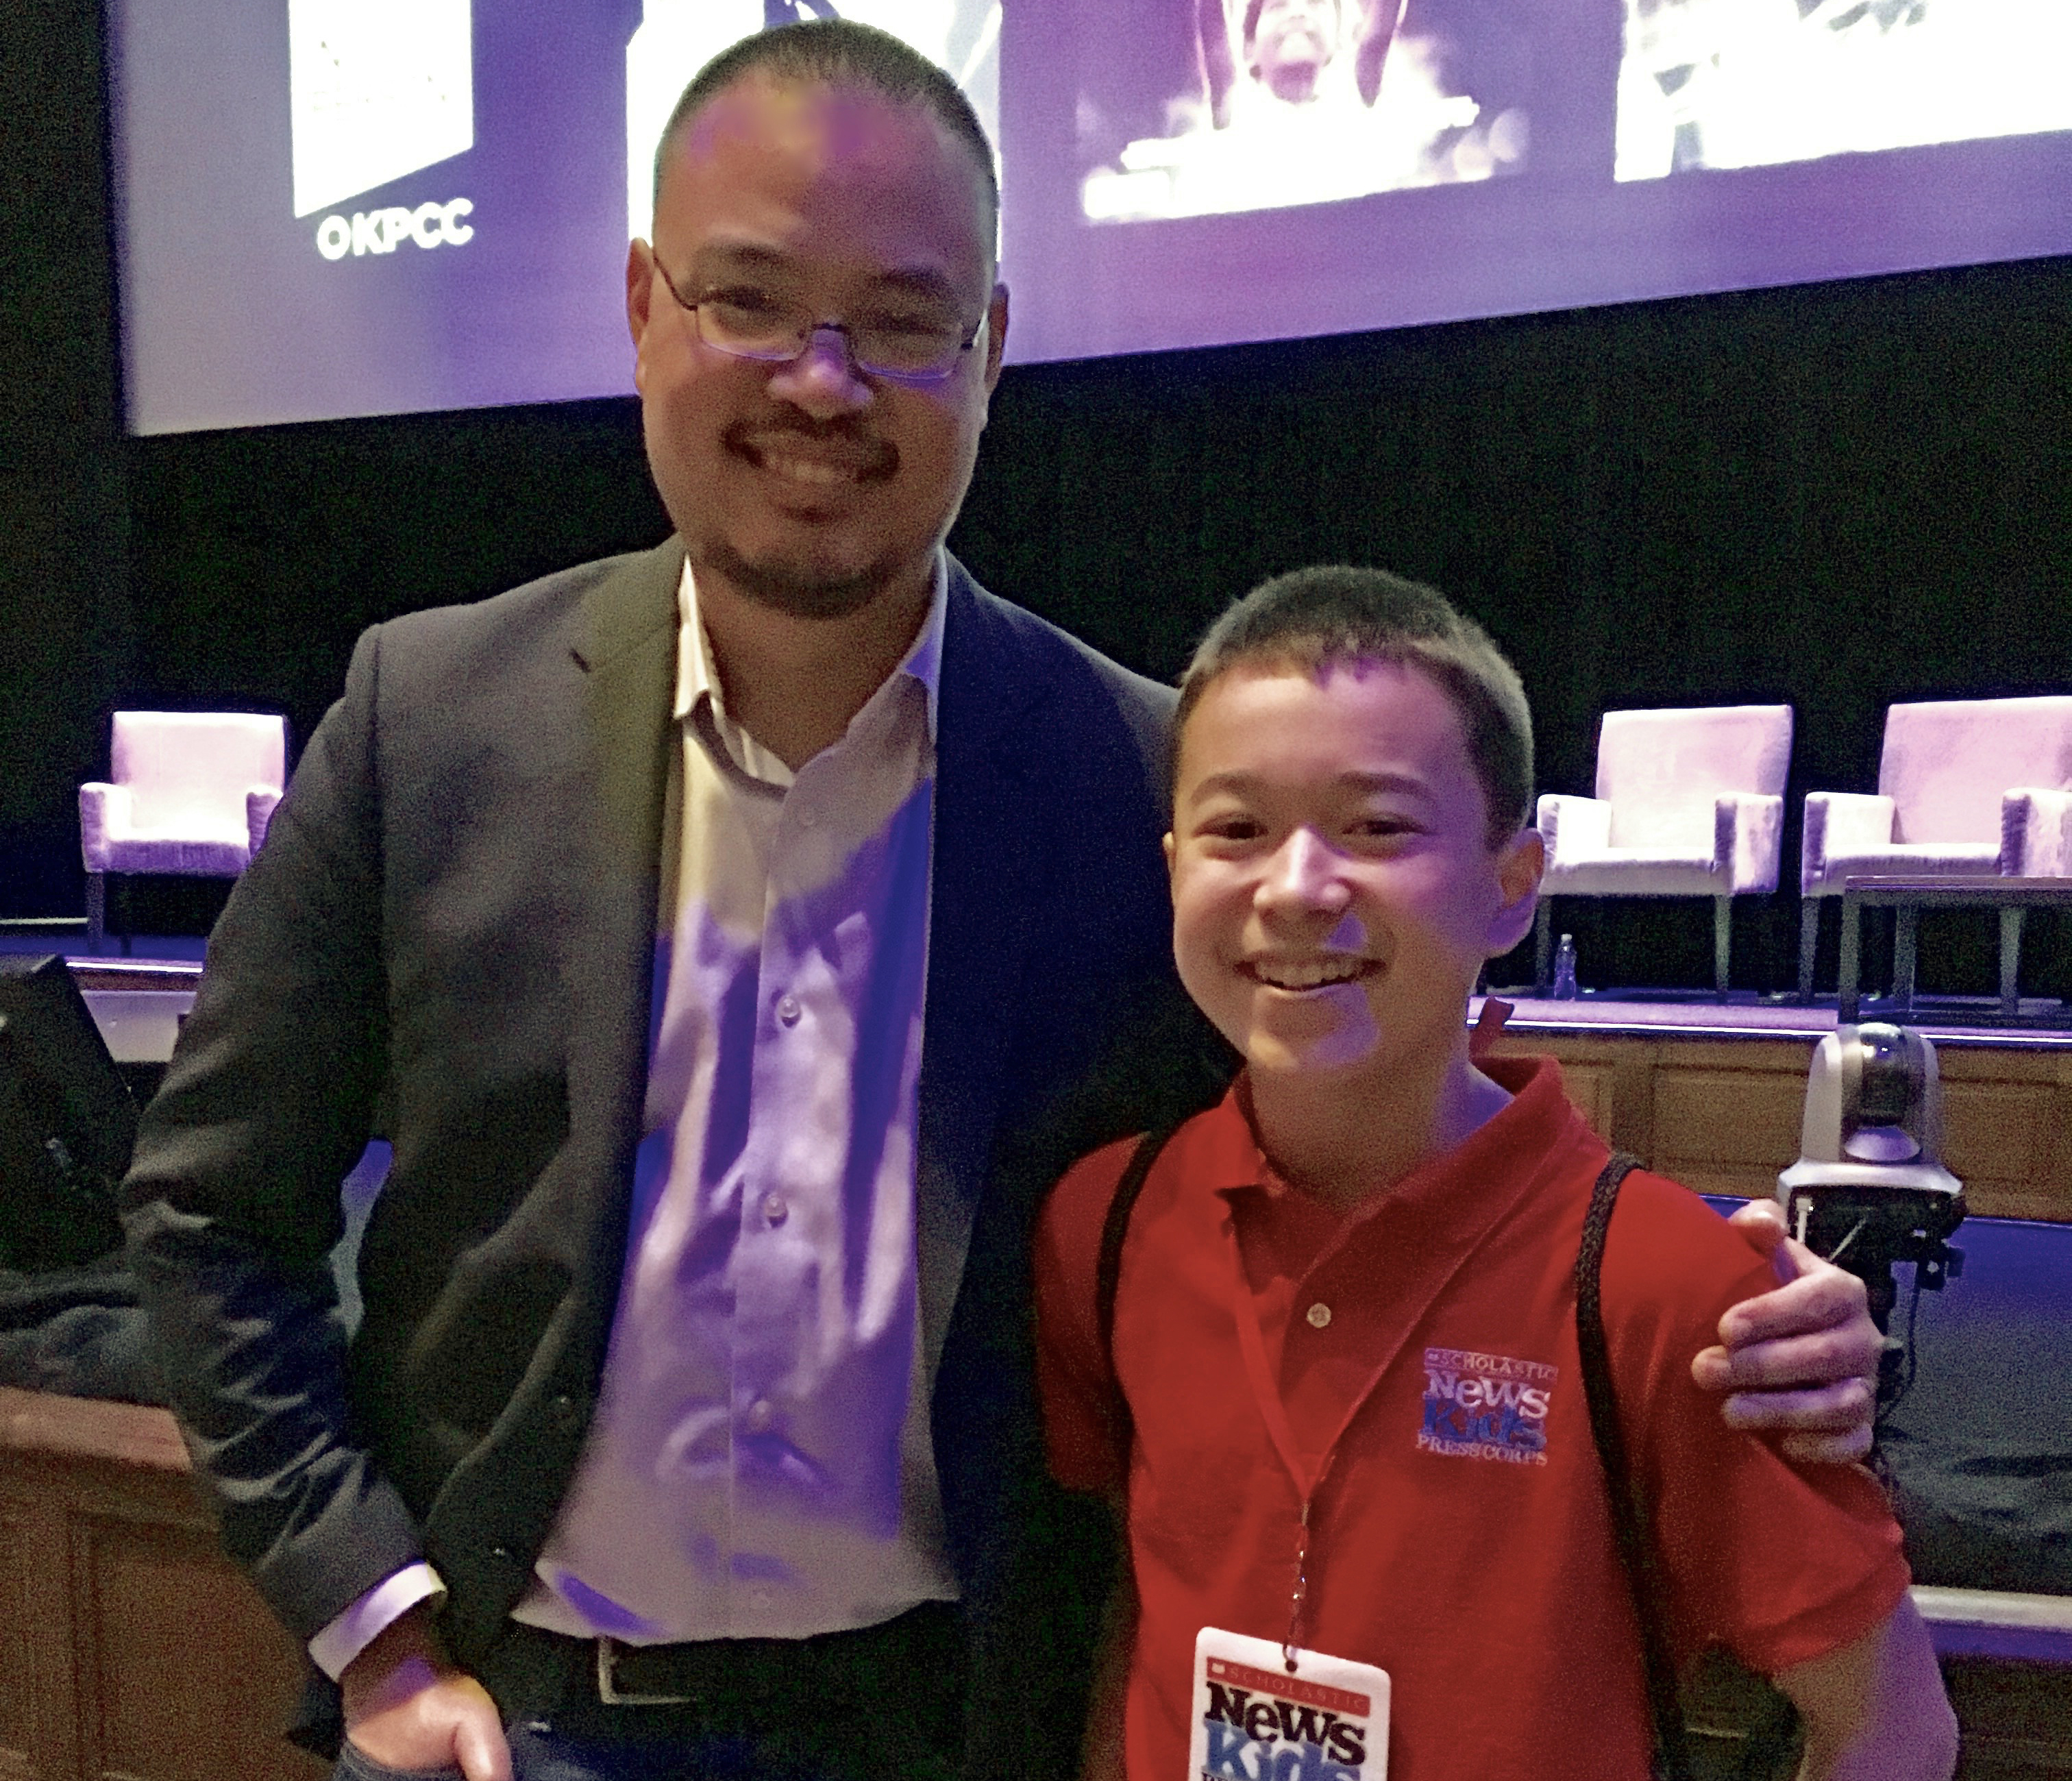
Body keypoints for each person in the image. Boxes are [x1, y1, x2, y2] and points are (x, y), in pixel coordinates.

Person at [125, 22, 1884, 1781]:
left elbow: (1353, 1165)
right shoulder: (429, 721)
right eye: (753, 299)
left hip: (959, 1735)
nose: (825, 382)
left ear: (991, 349)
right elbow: (212, 1209)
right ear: (645, 304)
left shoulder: (1140, 786)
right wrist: (374, 1621)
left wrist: (1725, 1299)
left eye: (902, 321)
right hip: (513, 1728)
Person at [1034, 565, 1959, 1781]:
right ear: (1172, 871)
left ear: (1513, 887)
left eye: (1377, 827)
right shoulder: (1105, 1224)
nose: (1299, 887)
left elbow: (1890, 1727)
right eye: (1237, 830)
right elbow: (1130, 1620)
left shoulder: (1664, 1286)